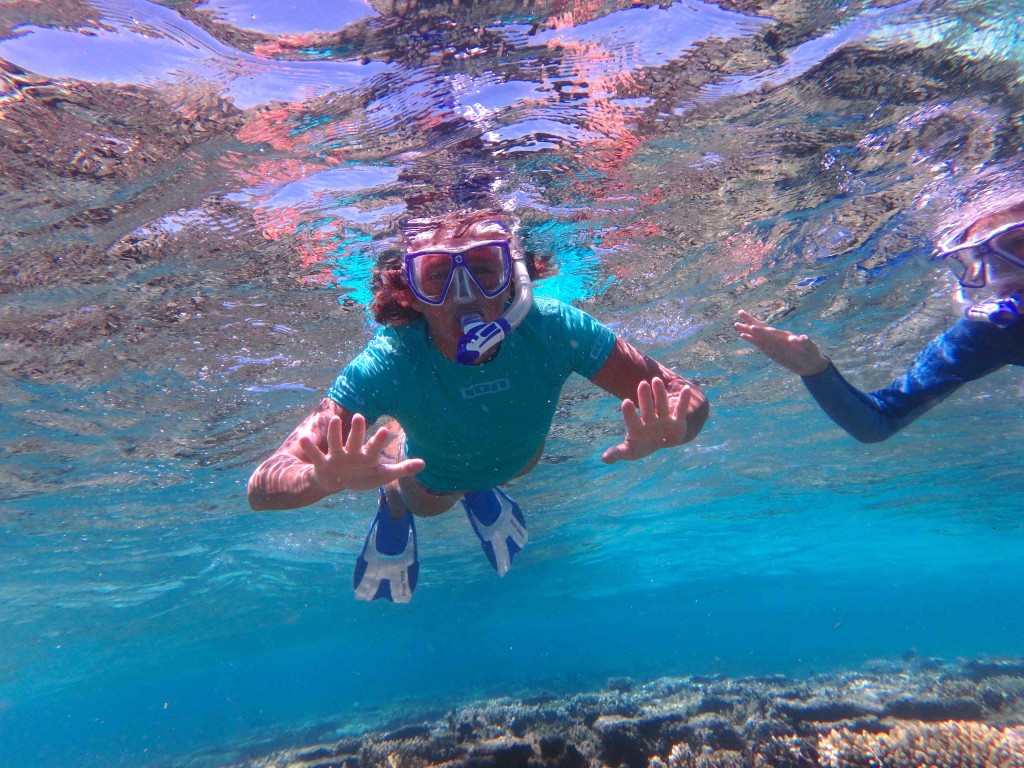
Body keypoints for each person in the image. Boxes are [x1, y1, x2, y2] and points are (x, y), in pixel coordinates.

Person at [248, 208, 709, 603]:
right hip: (432, 483)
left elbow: (684, 396)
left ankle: (480, 489)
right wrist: (320, 478)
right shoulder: (390, 361)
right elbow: (261, 488)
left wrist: (678, 428)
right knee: (428, 504)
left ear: (515, 279)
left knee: (510, 469)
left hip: (517, 462)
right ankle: (392, 505)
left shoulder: (553, 327)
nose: (462, 293)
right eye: (437, 276)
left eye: (484, 269)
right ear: (408, 292)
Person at [734, 202, 1024, 443]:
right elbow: (878, 423)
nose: (1000, 271)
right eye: (976, 258)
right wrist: (814, 370)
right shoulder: (991, 333)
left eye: (1018, 243)